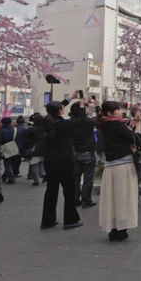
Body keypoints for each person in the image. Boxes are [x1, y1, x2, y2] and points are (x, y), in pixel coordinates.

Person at [41, 92, 86, 231]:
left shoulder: (45, 122)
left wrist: (69, 98)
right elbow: (82, 119)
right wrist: (83, 105)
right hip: (64, 161)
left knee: (51, 190)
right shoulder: (64, 125)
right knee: (69, 190)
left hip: (49, 161)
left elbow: (54, 109)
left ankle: (47, 220)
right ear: (60, 111)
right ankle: (70, 220)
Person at [98, 101, 139, 241]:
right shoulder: (117, 125)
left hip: (110, 165)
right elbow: (132, 138)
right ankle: (122, 228)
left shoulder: (104, 125)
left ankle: (113, 228)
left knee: (112, 197)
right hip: (124, 164)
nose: (121, 111)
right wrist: (132, 128)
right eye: (118, 109)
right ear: (110, 112)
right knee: (124, 196)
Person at [69, 102, 98, 208]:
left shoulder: (71, 123)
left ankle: (75, 198)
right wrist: (96, 107)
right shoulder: (88, 122)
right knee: (88, 177)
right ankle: (86, 199)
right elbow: (97, 118)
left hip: (75, 152)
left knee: (76, 177)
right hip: (88, 152)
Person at [21, 113, 47, 186]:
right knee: (42, 162)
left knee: (34, 164)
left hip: (34, 148)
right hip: (44, 148)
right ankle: (44, 174)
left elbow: (26, 140)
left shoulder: (31, 130)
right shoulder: (45, 129)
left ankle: (36, 180)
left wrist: (22, 150)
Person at [0, 117, 21, 184]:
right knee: (12, 163)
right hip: (14, 148)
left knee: (7, 164)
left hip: (5, 148)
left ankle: (11, 177)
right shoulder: (15, 129)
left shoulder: (1, 131)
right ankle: (5, 176)